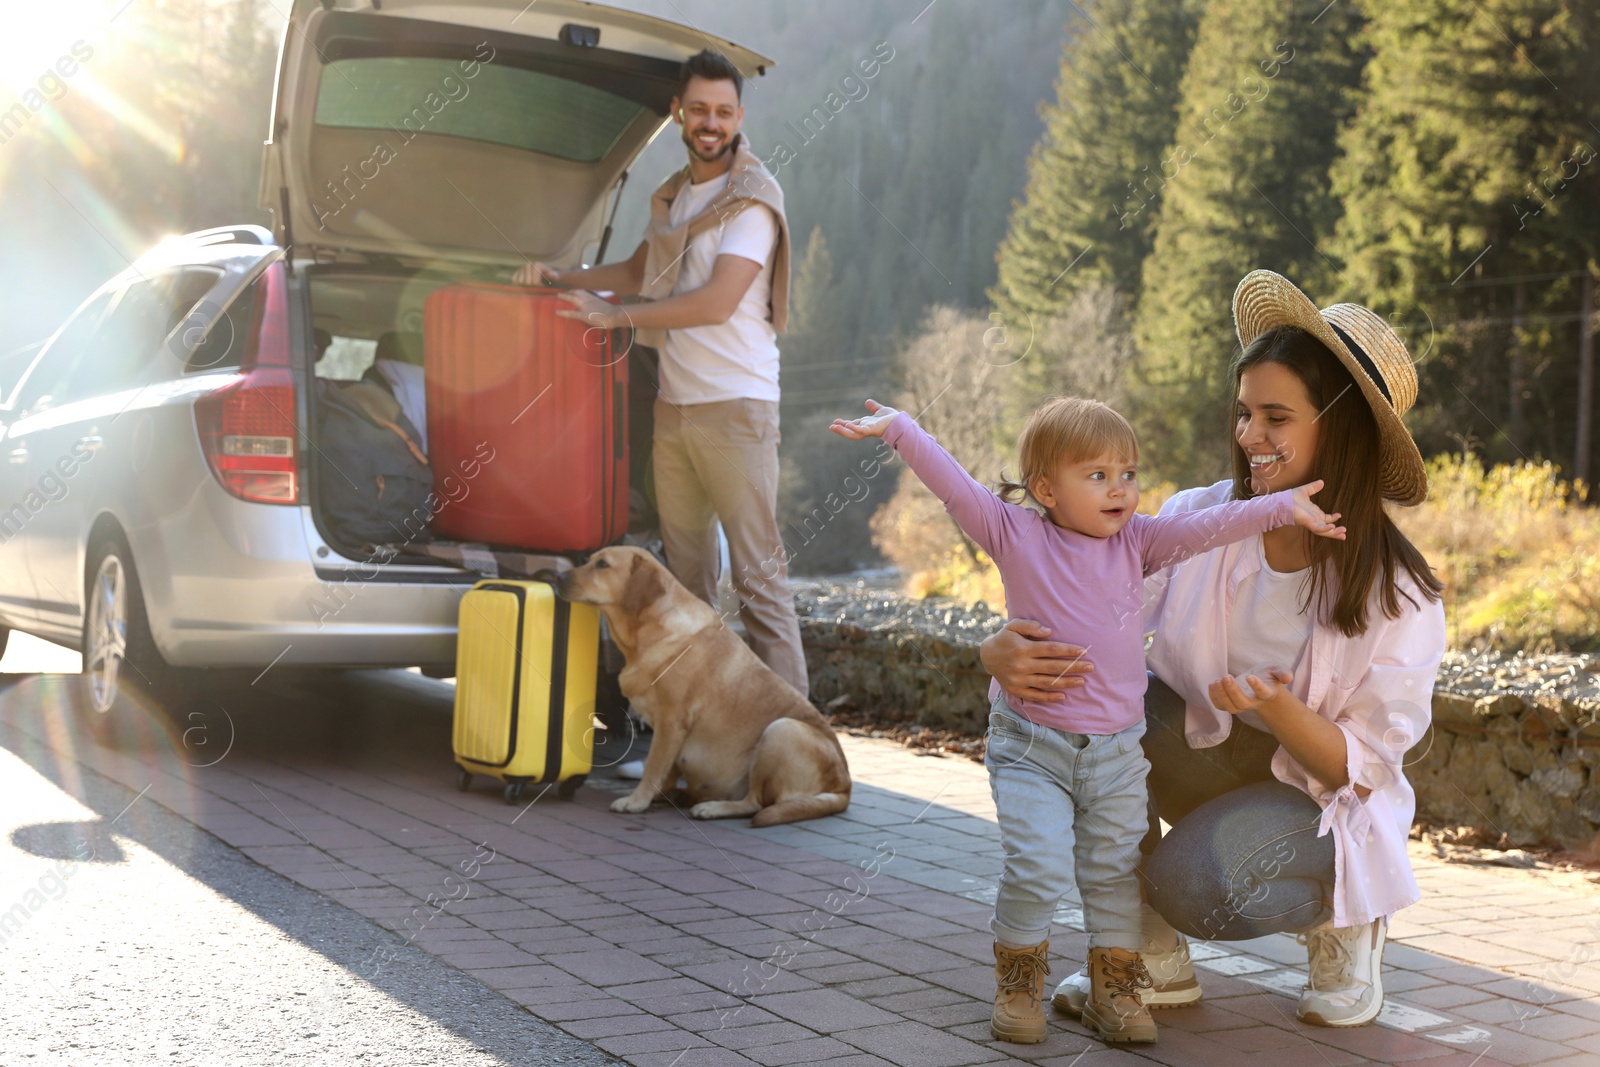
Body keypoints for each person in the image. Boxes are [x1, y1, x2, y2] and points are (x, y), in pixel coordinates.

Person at [981, 270, 1446, 1030]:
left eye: (1275, 417)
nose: (1248, 436)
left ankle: (1344, 919)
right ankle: (1144, 951)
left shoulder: (1400, 592)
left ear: (1341, 429)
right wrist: (997, 656)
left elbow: (1358, 769)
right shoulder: (1200, 520)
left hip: (1314, 800)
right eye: (1243, 413)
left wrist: (1280, 706)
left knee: (1197, 880)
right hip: (1209, 753)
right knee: (1074, 718)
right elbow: (1090, 620)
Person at [830, 393, 1345, 1045]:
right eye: (1097, 475)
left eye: (1127, 473)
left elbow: (1210, 525)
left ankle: (1116, 989)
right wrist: (900, 429)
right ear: (1046, 487)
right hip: (1030, 746)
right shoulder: (1014, 532)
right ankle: (1019, 984)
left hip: (1116, 753)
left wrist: (1281, 505)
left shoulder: (1139, 540)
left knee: (1113, 871)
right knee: (1037, 862)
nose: (1119, 489)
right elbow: (953, 486)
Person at [513, 50, 807, 706]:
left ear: (739, 117)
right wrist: (563, 278)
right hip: (675, 414)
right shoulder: (675, 196)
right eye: (699, 108)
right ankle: (708, 736)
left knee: (760, 585)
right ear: (679, 112)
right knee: (689, 589)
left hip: (737, 410)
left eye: (723, 111)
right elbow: (634, 270)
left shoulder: (753, 200)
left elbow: (714, 303)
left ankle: (794, 737)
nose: (711, 121)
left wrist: (619, 321)